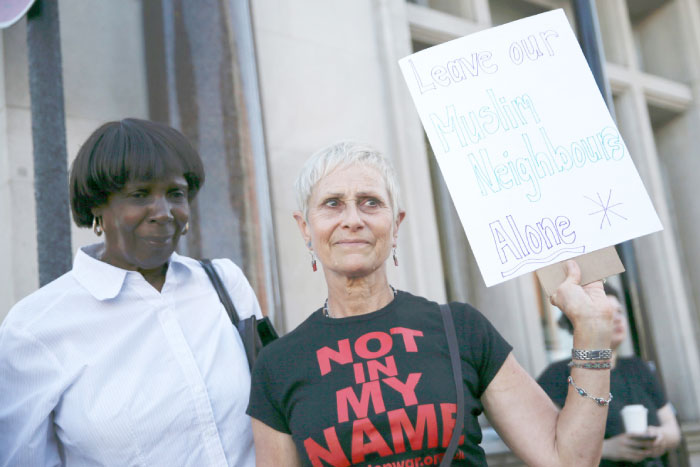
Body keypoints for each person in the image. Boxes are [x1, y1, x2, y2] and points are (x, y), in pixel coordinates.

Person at [247, 141, 616, 466]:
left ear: (396, 225)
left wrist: (592, 332)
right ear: (305, 228)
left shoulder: (460, 329)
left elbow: (569, 461)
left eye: (370, 203)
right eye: (332, 204)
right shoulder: (279, 364)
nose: (353, 220)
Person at [0, 119, 261, 466]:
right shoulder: (34, 329)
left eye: (176, 194)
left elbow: (274, 413)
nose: (164, 214)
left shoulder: (224, 284)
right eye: (140, 195)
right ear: (97, 206)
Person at [538, 284, 681, 466]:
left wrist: (659, 437)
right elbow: (546, 445)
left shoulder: (639, 368)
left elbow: (672, 430)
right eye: (607, 314)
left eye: (620, 312)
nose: (618, 319)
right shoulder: (557, 375)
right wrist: (608, 449)